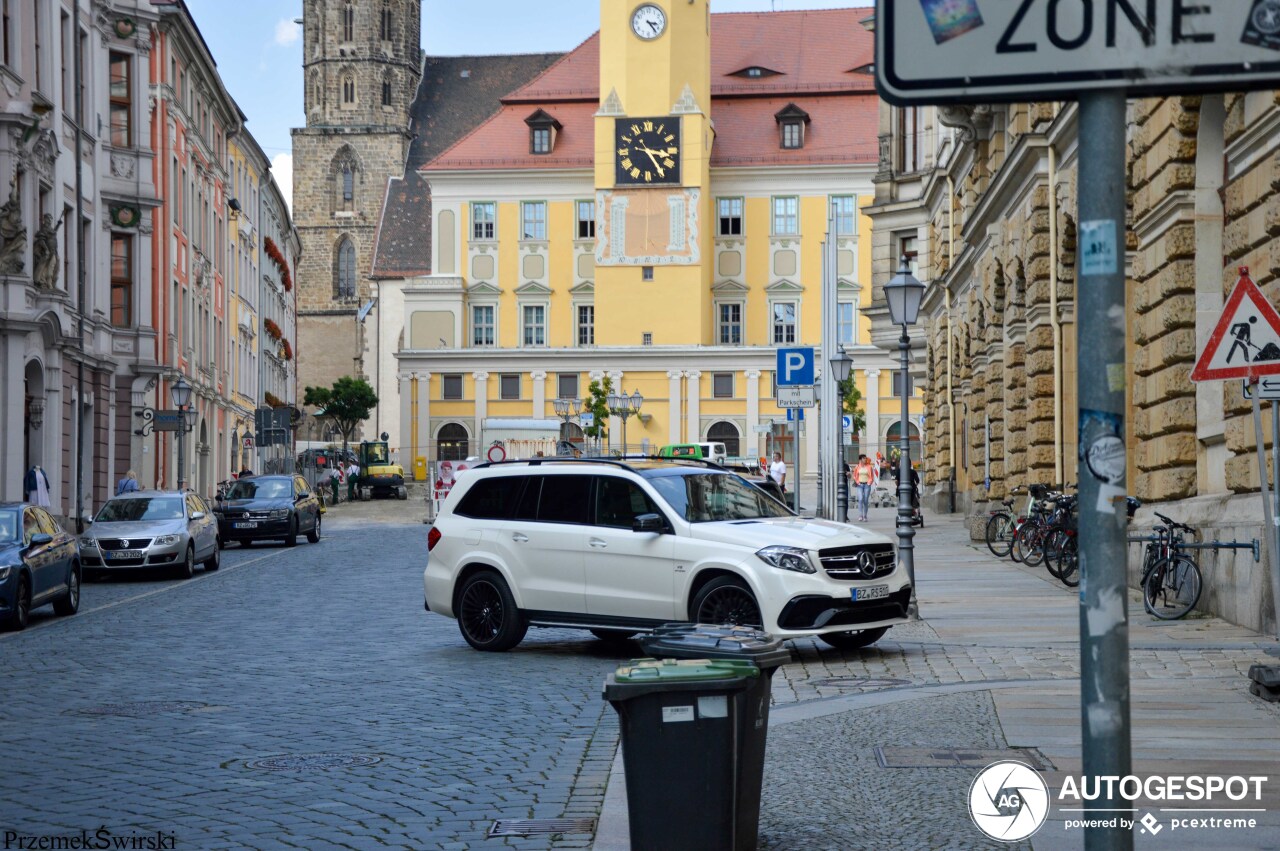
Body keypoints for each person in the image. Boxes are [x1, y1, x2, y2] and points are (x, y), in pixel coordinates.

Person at [853, 455, 876, 522]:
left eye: (865, 458)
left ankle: (865, 516)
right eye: (864, 458)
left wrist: (869, 483)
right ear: (860, 459)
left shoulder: (869, 467)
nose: (865, 460)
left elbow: (872, 476)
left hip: (867, 485)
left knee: (865, 500)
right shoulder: (857, 467)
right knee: (860, 499)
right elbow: (854, 476)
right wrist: (857, 482)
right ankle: (860, 515)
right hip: (860, 485)